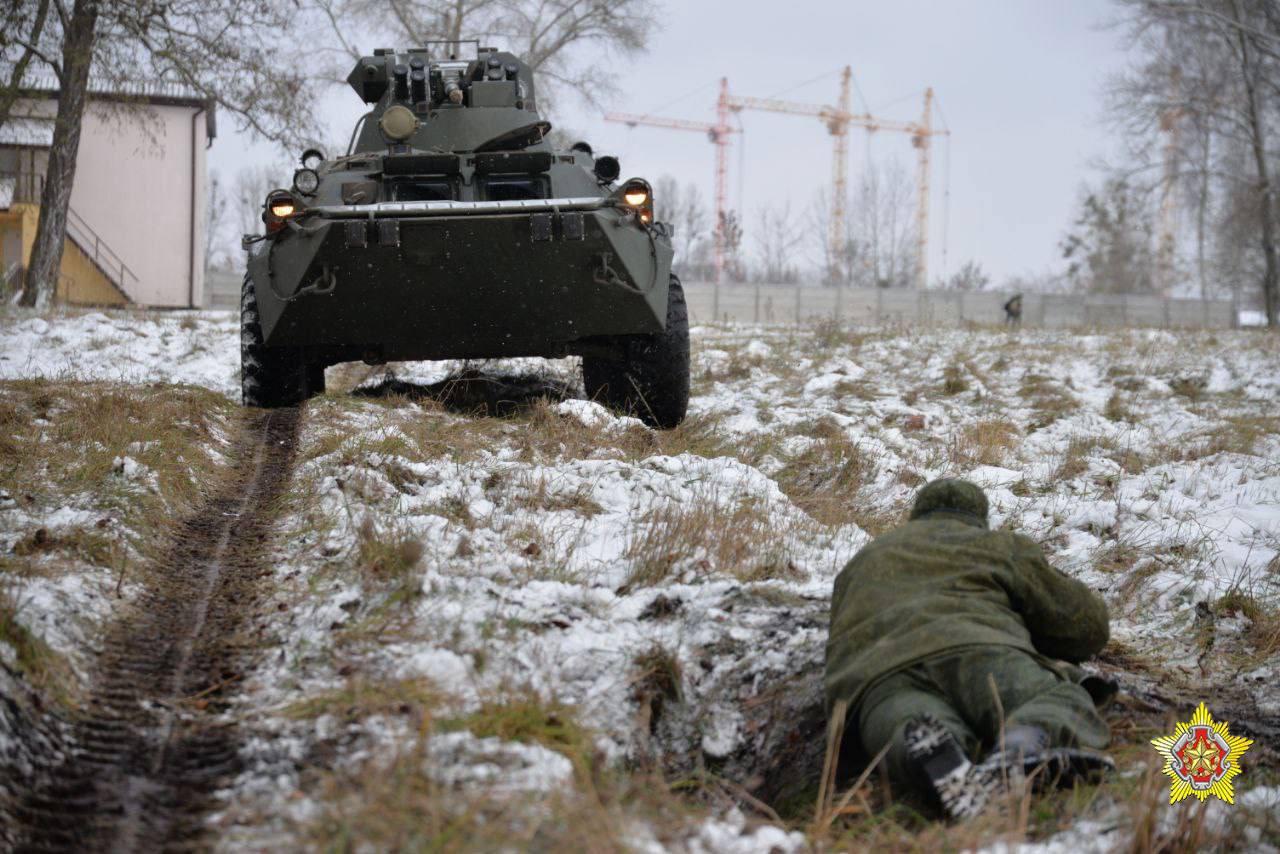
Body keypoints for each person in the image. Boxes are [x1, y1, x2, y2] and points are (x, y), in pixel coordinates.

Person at [824, 479, 1114, 819]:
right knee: (1052, 698)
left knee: (905, 722)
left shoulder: (861, 561)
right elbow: (1085, 628)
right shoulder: (997, 545)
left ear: (916, 515)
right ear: (978, 518)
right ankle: (1023, 745)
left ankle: (931, 754)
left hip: (879, 676)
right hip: (979, 652)